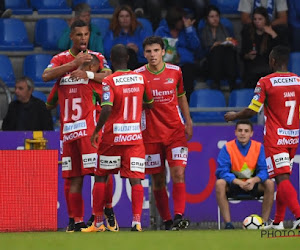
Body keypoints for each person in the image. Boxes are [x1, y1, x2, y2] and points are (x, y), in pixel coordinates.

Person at [42, 19, 115, 232]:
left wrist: (89, 74)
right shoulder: (60, 59)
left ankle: (102, 215)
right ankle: (76, 221)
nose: (83, 38)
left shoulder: (96, 58)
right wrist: (73, 65)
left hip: (88, 130)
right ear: (71, 37)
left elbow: (109, 76)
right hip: (68, 131)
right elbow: (46, 76)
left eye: (86, 34)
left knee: (99, 173)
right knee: (74, 177)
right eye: (79, 35)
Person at [224, 45, 300, 230]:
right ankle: (278, 222)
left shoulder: (266, 82)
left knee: (281, 179)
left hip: (275, 139)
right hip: (292, 137)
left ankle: (298, 215)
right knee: (281, 179)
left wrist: (234, 116)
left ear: (272, 61)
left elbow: (253, 109)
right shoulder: (298, 81)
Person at [82, 44, 153, 232]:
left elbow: (106, 108)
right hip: (135, 137)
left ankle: (97, 222)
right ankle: (136, 222)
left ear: (111, 60)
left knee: (101, 176)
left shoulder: (109, 81)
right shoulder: (141, 78)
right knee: (136, 179)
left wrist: (97, 130)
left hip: (113, 137)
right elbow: (150, 103)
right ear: (128, 59)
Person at [135, 36, 193, 230]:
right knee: (158, 180)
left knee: (178, 173)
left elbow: (182, 96)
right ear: (144, 54)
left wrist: (188, 121)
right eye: (149, 51)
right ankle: (167, 221)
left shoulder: (175, 71)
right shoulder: (138, 76)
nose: (152, 55)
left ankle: (178, 216)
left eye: (156, 51)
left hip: (175, 131)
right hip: (150, 134)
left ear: (163, 52)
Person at [215, 119, 274, 229]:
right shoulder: (227, 147)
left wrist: (253, 180)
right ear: (235, 132)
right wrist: (238, 182)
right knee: (219, 183)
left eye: (246, 131)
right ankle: (228, 224)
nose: (243, 133)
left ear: (251, 133)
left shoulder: (259, 147)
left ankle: (264, 222)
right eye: (240, 130)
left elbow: (265, 170)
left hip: (253, 184)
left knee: (270, 183)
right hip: (234, 185)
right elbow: (221, 171)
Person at [155, 7, 201, 102]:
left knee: (188, 73)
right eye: (181, 20)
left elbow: (196, 46)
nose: (184, 22)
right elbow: (155, 48)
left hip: (185, 65)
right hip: (166, 65)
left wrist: (189, 29)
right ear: (174, 21)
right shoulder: (161, 31)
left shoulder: (187, 30)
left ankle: (186, 105)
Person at [240, 7, 287, 89]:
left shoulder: (274, 32)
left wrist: (273, 34)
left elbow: (282, 50)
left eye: (260, 19)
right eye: (255, 19)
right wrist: (248, 56)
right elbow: (242, 54)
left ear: (266, 19)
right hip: (252, 68)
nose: (257, 22)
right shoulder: (247, 32)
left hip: (268, 67)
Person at [200, 5, 238, 91]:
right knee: (217, 50)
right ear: (207, 18)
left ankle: (232, 83)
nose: (215, 19)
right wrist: (213, 47)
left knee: (228, 51)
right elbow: (201, 52)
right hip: (209, 64)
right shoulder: (203, 31)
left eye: (217, 16)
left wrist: (223, 44)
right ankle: (217, 83)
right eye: (212, 16)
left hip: (226, 62)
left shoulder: (225, 29)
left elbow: (234, 44)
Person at [103, 5, 151, 70]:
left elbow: (149, 49)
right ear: (117, 18)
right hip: (118, 66)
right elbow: (107, 52)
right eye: (121, 16)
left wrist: (137, 50)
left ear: (131, 17)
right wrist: (123, 50)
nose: (124, 19)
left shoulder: (140, 30)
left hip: (139, 64)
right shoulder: (111, 33)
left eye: (127, 16)